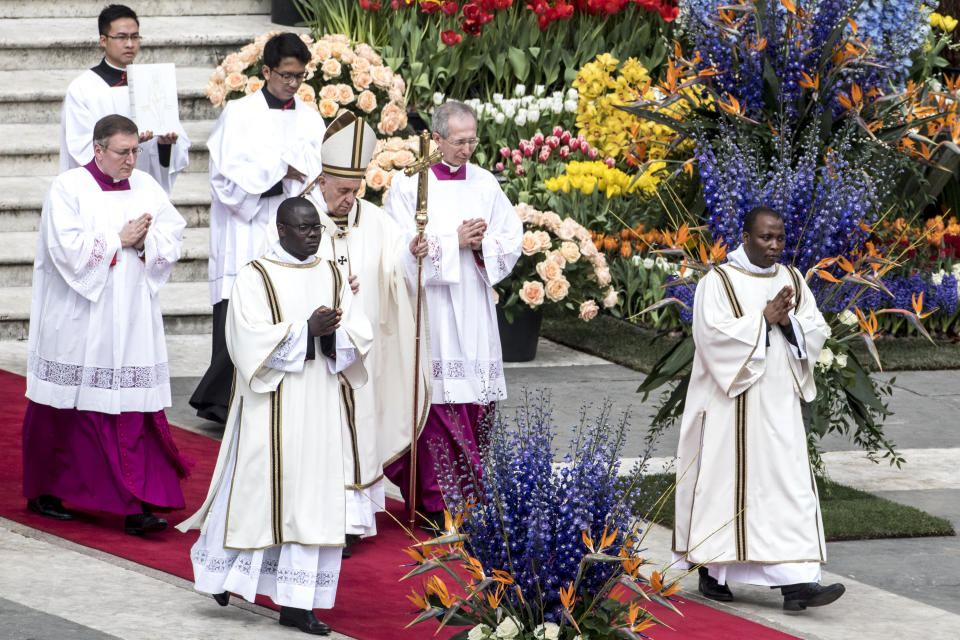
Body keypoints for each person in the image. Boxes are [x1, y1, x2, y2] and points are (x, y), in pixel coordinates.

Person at [178, 197, 373, 636]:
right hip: (271, 404)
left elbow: (359, 330)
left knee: (311, 501)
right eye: (304, 229)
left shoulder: (332, 272)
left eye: (317, 229)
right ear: (281, 230)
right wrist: (305, 331)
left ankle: (297, 603)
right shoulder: (254, 275)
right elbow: (243, 339)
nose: (313, 235)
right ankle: (221, 576)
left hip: (320, 403)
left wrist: (333, 334)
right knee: (256, 495)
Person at [672, 206, 846, 613]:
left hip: (778, 404)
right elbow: (711, 337)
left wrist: (788, 324)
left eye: (780, 238)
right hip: (729, 406)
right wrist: (763, 320)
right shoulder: (717, 282)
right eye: (766, 238)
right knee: (726, 486)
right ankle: (713, 570)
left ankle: (797, 582)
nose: (774, 246)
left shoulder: (792, 278)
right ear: (746, 237)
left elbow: (815, 327)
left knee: (786, 485)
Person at [22, 114, 188, 535]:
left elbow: (172, 233)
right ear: (98, 150)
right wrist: (119, 239)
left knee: (131, 409)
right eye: (122, 152)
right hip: (80, 318)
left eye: (135, 151)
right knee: (67, 406)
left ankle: (138, 506)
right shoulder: (68, 188)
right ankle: (47, 491)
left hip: (131, 317)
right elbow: (65, 249)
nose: (131, 160)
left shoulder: (147, 186)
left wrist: (148, 240)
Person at [383, 100, 523, 524]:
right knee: (437, 401)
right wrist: (452, 241)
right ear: (437, 139)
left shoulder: (485, 183)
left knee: (474, 403)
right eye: (459, 141)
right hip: (434, 312)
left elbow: (511, 237)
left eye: (472, 140)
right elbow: (398, 250)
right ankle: (435, 503)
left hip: (474, 308)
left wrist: (483, 246)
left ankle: (472, 498)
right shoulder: (409, 186)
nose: (467, 149)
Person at [303, 112, 430, 556]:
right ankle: (319, 517)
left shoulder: (372, 219)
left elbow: (395, 261)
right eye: (342, 191)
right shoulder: (298, 218)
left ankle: (354, 520)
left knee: (359, 427)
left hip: (361, 353)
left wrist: (410, 254)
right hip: (315, 357)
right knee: (324, 432)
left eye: (356, 190)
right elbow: (275, 273)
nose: (349, 199)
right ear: (321, 182)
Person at [190, 32, 326, 424]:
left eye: (300, 75)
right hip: (247, 229)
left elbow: (319, 174)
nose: (294, 83)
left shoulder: (311, 117)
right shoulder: (239, 113)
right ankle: (224, 401)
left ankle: (282, 392)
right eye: (286, 75)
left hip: (295, 232)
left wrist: (302, 182)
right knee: (241, 314)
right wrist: (280, 171)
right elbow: (225, 182)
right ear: (266, 70)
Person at [60, 4, 190, 194]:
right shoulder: (83, 88)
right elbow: (80, 147)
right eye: (121, 37)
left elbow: (176, 143)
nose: (130, 44)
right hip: (101, 192)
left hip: (142, 188)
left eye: (135, 36)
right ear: (103, 40)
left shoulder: (153, 82)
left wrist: (164, 145)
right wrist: (126, 144)